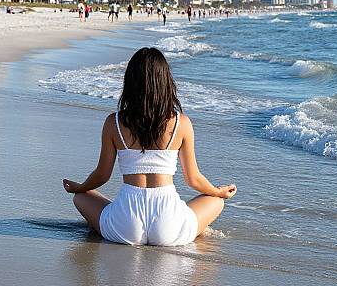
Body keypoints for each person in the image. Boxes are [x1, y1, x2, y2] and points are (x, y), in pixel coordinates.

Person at [63, 47, 237, 246]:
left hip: (125, 223)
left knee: (80, 198)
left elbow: (102, 175)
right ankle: (192, 230)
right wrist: (218, 192)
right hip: (168, 224)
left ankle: (103, 227)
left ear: (130, 82)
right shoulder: (182, 123)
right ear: (166, 82)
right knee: (215, 202)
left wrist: (80, 187)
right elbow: (193, 179)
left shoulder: (115, 122)